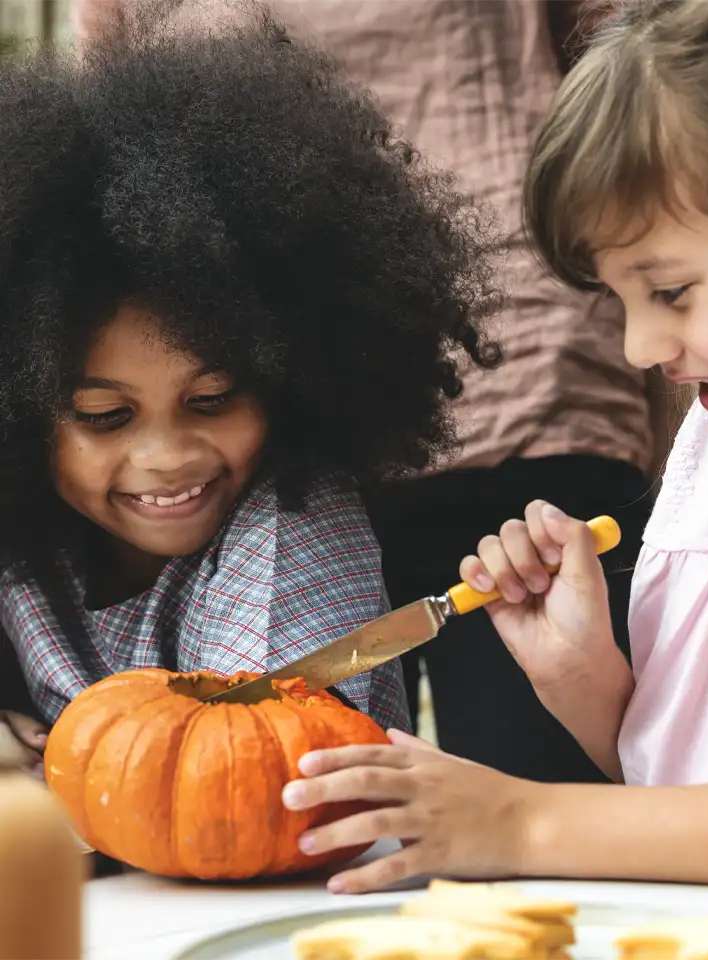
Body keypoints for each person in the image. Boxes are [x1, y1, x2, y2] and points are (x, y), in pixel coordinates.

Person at [73, 0, 656, 784]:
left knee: (543, 795)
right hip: (265, 413)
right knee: (291, 792)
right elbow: (104, 131)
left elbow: (631, 78)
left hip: (527, 378)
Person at [281, 0, 708, 893]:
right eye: (621, 300)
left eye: (671, 290)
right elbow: (689, 801)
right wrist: (593, 688)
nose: (638, 349)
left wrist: (525, 819)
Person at [0, 0, 500, 766]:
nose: (165, 455)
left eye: (210, 400)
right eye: (104, 415)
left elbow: (249, 771)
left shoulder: (296, 530)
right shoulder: (27, 543)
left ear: (288, 379)